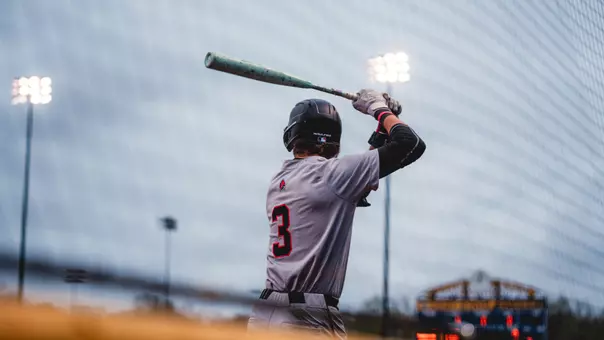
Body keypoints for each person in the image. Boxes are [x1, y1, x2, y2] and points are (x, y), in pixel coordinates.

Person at [247, 89, 426, 338]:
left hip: (265, 313)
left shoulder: (280, 179)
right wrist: (379, 110)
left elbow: (356, 180)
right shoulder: (331, 175)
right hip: (306, 318)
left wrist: (382, 127)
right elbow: (411, 144)